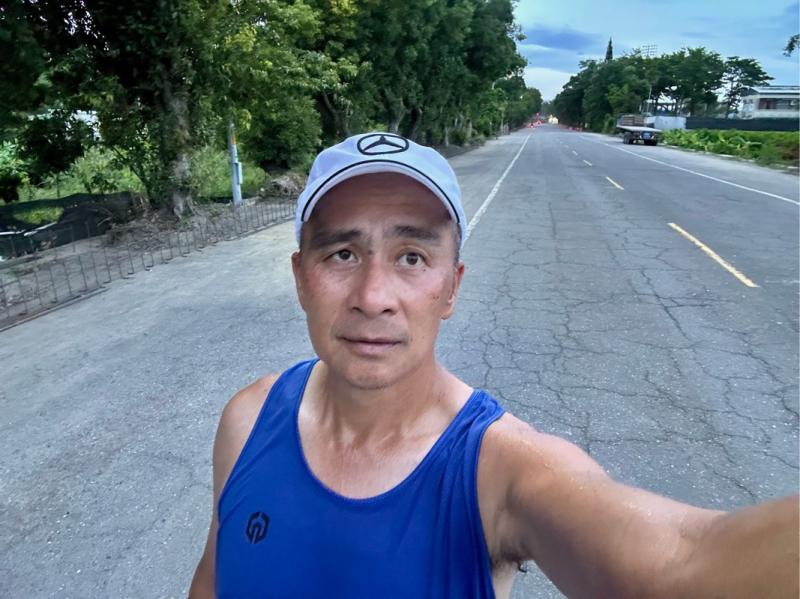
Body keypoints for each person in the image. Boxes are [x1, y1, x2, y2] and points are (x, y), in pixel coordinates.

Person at [189, 132, 798, 598]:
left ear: (451, 288)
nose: (373, 297)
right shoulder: (248, 420)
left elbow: (680, 564)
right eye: (343, 253)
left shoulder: (501, 471)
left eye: (411, 257)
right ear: (301, 279)